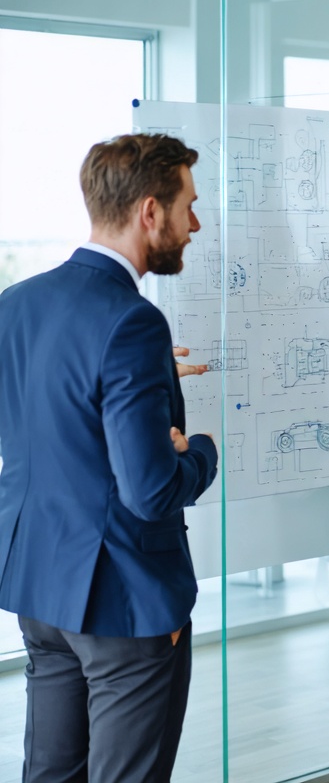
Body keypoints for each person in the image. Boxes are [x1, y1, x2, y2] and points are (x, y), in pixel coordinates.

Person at [0, 133, 219, 782]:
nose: (195, 224)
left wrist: (143, 392)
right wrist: (199, 452)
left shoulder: (16, 303)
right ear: (150, 212)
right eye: (188, 207)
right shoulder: (134, 321)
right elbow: (150, 491)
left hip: (39, 583)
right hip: (124, 598)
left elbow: (43, 423)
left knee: (51, 774)